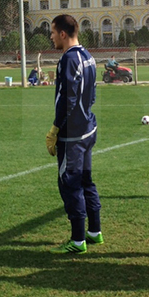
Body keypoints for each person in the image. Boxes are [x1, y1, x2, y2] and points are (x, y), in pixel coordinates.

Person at [45, 14, 102, 254]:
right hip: (88, 129)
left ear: (63, 34)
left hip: (73, 136)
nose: (51, 37)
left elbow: (65, 99)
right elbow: (91, 94)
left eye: (52, 32)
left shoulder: (68, 59)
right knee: (86, 180)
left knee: (70, 184)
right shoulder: (88, 56)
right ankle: (94, 232)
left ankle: (78, 241)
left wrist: (55, 130)